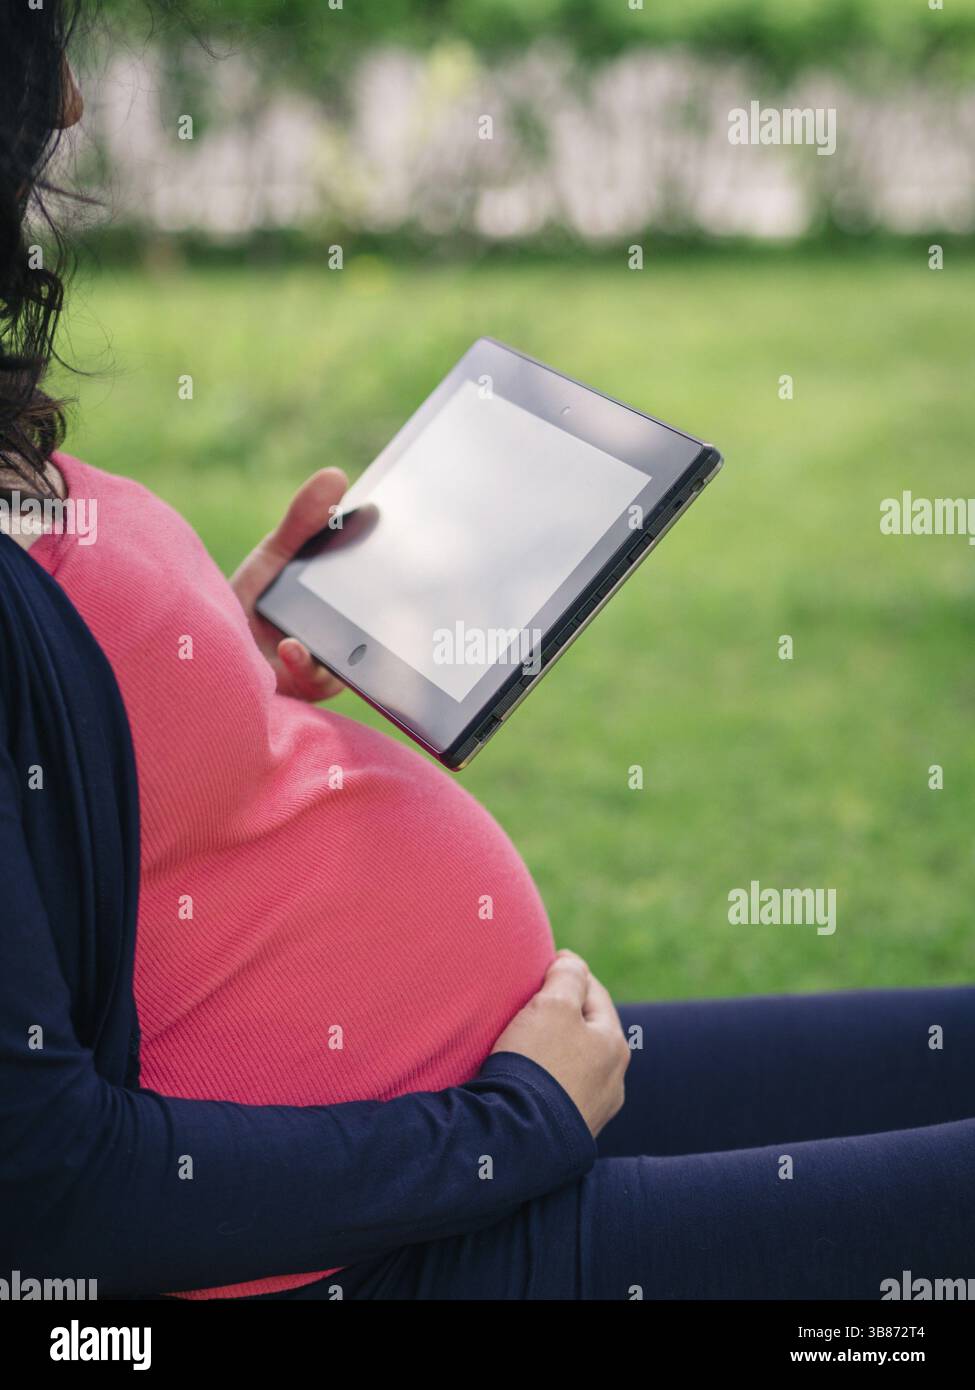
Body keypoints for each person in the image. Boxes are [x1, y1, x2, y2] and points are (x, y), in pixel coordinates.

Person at [2, 1, 973, 1301]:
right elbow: (51, 1189)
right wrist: (510, 1129)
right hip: (357, 1243)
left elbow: (67, 796)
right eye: (30, 44)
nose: (68, 98)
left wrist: (219, 667)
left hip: (454, 1122)